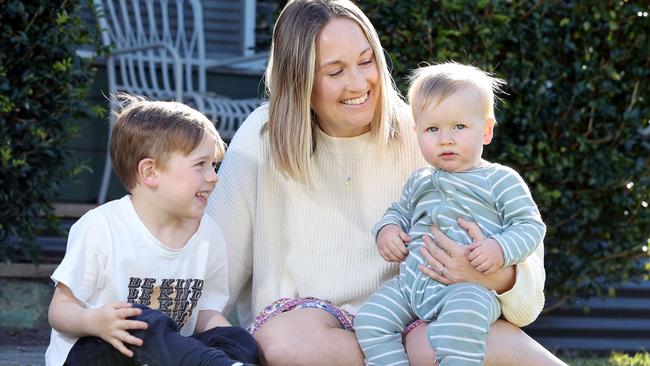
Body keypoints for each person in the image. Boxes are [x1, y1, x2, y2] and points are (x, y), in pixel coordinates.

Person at [206, 0, 566, 365]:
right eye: (335, 71)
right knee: (289, 344)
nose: (359, 83)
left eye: (366, 61)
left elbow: (527, 296)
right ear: (300, 81)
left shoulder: (426, 135)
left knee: (463, 342)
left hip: (408, 316)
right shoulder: (262, 137)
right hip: (310, 328)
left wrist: (495, 273)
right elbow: (214, 274)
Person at [353, 63, 547, 365]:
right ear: (417, 133)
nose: (446, 138)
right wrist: (387, 231)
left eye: (459, 127)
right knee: (371, 320)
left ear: (486, 130)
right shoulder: (419, 180)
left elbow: (530, 226)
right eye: (433, 129)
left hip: (468, 288)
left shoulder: (500, 180)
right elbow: (398, 213)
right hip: (411, 286)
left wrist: (499, 248)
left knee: (458, 331)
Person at [45, 95, 259, 366]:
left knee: (239, 339)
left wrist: (231, 337)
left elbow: (206, 314)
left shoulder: (208, 234)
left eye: (214, 165)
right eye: (200, 165)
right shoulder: (102, 227)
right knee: (138, 320)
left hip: (164, 355)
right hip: (97, 352)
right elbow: (59, 310)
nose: (214, 177)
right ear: (150, 172)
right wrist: (94, 321)